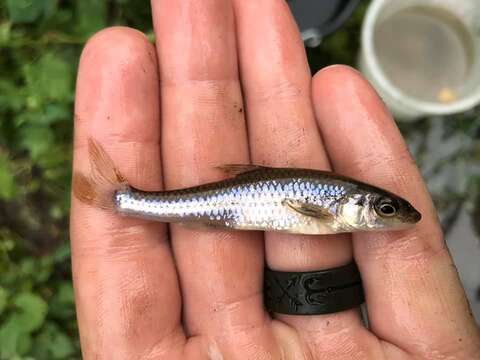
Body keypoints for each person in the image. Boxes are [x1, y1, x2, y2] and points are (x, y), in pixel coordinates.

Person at [70, 1, 480, 358]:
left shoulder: (335, 204)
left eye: (386, 208)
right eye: (385, 209)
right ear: (354, 206)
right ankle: (125, 200)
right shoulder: (330, 206)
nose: (388, 215)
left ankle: (126, 201)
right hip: (233, 206)